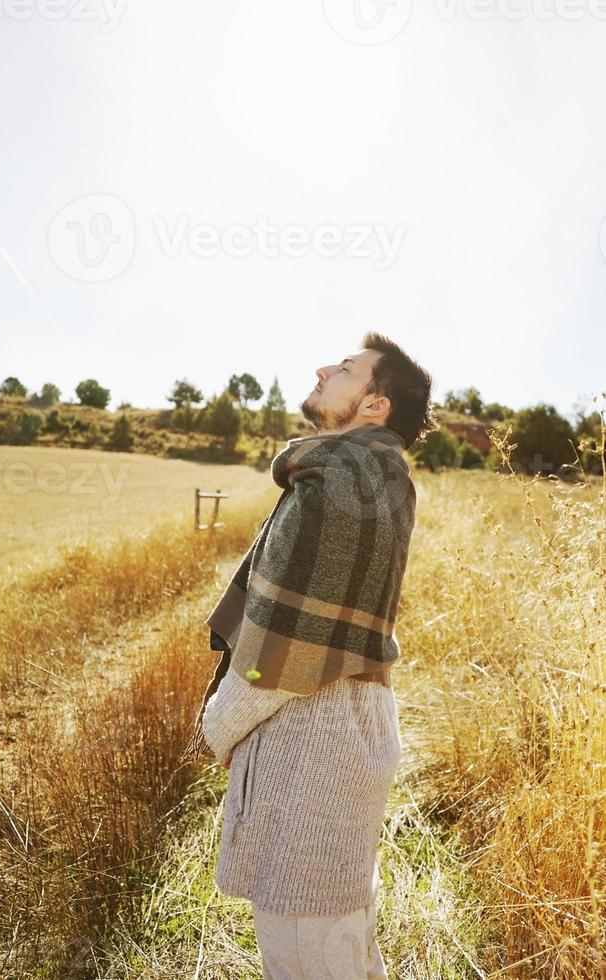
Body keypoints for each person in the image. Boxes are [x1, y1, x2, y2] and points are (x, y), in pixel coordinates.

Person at [197, 331, 436, 979]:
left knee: (308, 954)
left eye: (347, 369)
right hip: (334, 730)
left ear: (373, 405)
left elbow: (291, 651)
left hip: (315, 738)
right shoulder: (364, 472)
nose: (324, 368)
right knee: (341, 947)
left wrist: (219, 721)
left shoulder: (346, 479)